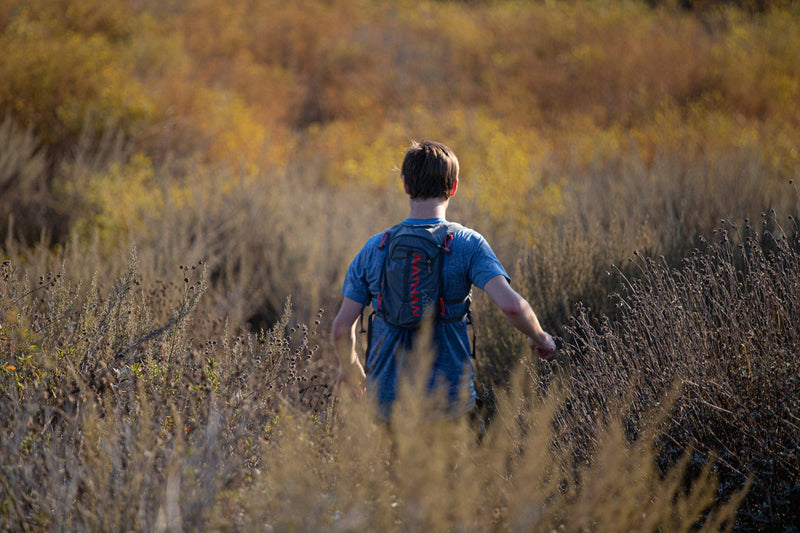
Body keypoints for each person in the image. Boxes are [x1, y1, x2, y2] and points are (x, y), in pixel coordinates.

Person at [332, 140, 556, 421]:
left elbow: (342, 328)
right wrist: (541, 338)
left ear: (405, 185)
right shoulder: (467, 244)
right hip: (450, 405)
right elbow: (512, 307)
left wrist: (351, 368)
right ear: (454, 188)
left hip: (386, 408)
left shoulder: (375, 247)